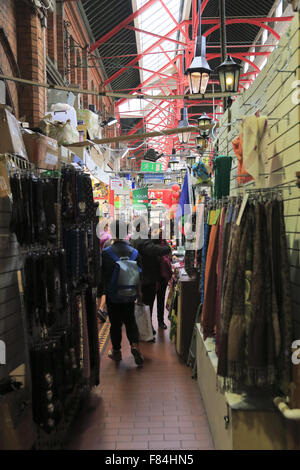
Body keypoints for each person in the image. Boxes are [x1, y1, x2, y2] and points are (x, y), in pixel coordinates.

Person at [99, 220, 144, 366]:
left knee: (115, 323)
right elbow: (140, 274)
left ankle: (117, 351)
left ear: (112, 232)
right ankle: (134, 345)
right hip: (129, 294)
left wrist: (102, 293)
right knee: (130, 320)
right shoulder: (135, 252)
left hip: (113, 296)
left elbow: (102, 275)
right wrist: (139, 291)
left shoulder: (106, 253)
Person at [132, 220, 171, 334]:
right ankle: (148, 328)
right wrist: (167, 249)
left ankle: (159, 322)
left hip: (158, 275)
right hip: (150, 276)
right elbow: (154, 250)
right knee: (149, 302)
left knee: (159, 299)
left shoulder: (144, 239)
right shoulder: (144, 240)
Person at [153, 226, 172, 330]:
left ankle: (156, 322)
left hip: (158, 276)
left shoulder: (153, 244)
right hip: (159, 276)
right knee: (160, 299)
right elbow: (169, 253)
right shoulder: (161, 245)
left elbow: (169, 253)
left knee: (154, 301)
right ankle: (160, 322)